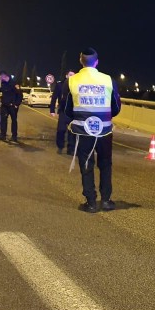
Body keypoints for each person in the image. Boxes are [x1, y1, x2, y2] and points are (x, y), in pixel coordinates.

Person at [64, 48, 121, 213]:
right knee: (105, 164)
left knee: (86, 164)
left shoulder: (72, 81)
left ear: (80, 61)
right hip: (104, 131)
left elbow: (67, 109)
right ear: (97, 62)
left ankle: (90, 203)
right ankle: (106, 200)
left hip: (83, 131)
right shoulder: (108, 80)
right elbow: (116, 107)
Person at [50, 70, 76, 154]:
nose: (72, 76)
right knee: (61, 130)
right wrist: (52, 110)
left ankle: (70, 149)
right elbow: (54, 97)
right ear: (66, 76)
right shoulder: (60, 85)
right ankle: (60, 146)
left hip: (73, 112)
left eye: (73, 75)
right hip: (63, 111)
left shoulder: (76, 85)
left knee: (72, 131)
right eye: (70, 75)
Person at [0, 71, 22, 142]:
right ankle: (3, 135)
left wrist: (16, 104)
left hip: (12, 106)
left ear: (4, 76)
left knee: (14, 120)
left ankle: (14, 136)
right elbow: (2, 90)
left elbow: (20, 95)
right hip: (5, 105)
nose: (0, 78)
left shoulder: (14, 83)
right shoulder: (4, 83)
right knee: (3, 120)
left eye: (1, 76)